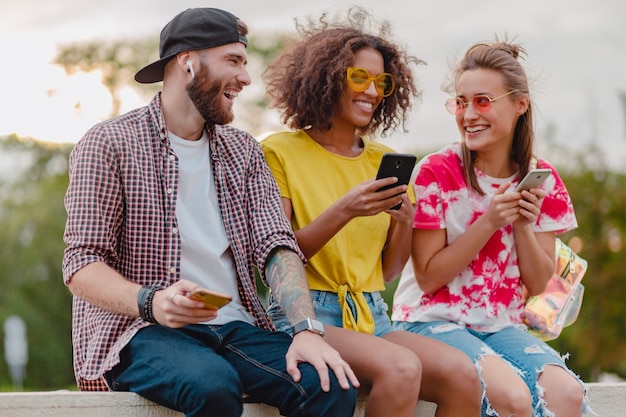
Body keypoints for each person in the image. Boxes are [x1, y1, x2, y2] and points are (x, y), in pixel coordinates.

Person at [62, 7, 359, 417]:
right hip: (142, 330)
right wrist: (152, 301)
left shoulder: (244, 151)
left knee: (326, 383)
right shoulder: (109, 143)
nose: (245, 77)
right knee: (213, 386)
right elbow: (81, 264)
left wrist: (307, 330)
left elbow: (277, 245)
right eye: (233, 61)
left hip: (237, 327)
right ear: (188, 61)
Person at [261, 7, 482, 417]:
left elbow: (386, 273)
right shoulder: (279, 151)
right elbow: (279, 253)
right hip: (306, 314)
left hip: (371, 314)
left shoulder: (386, 159)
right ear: (326, 79)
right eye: (358, 77)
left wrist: (405, 222)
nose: (372, 91)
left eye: (381, 81)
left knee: (463, 373)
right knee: (401, 368)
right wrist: (346, 210)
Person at [391, 37, 591, 416]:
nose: (469, 115)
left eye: (482, 101)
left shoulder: (543, 177)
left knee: (566, 393)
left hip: (501, 326)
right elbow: (429, 277)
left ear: (520, 104)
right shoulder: (436, 172)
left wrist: (521, 226)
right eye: (461, 102)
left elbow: (538, 285)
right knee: (511, 396)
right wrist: (490, 220)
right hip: (429, 320)